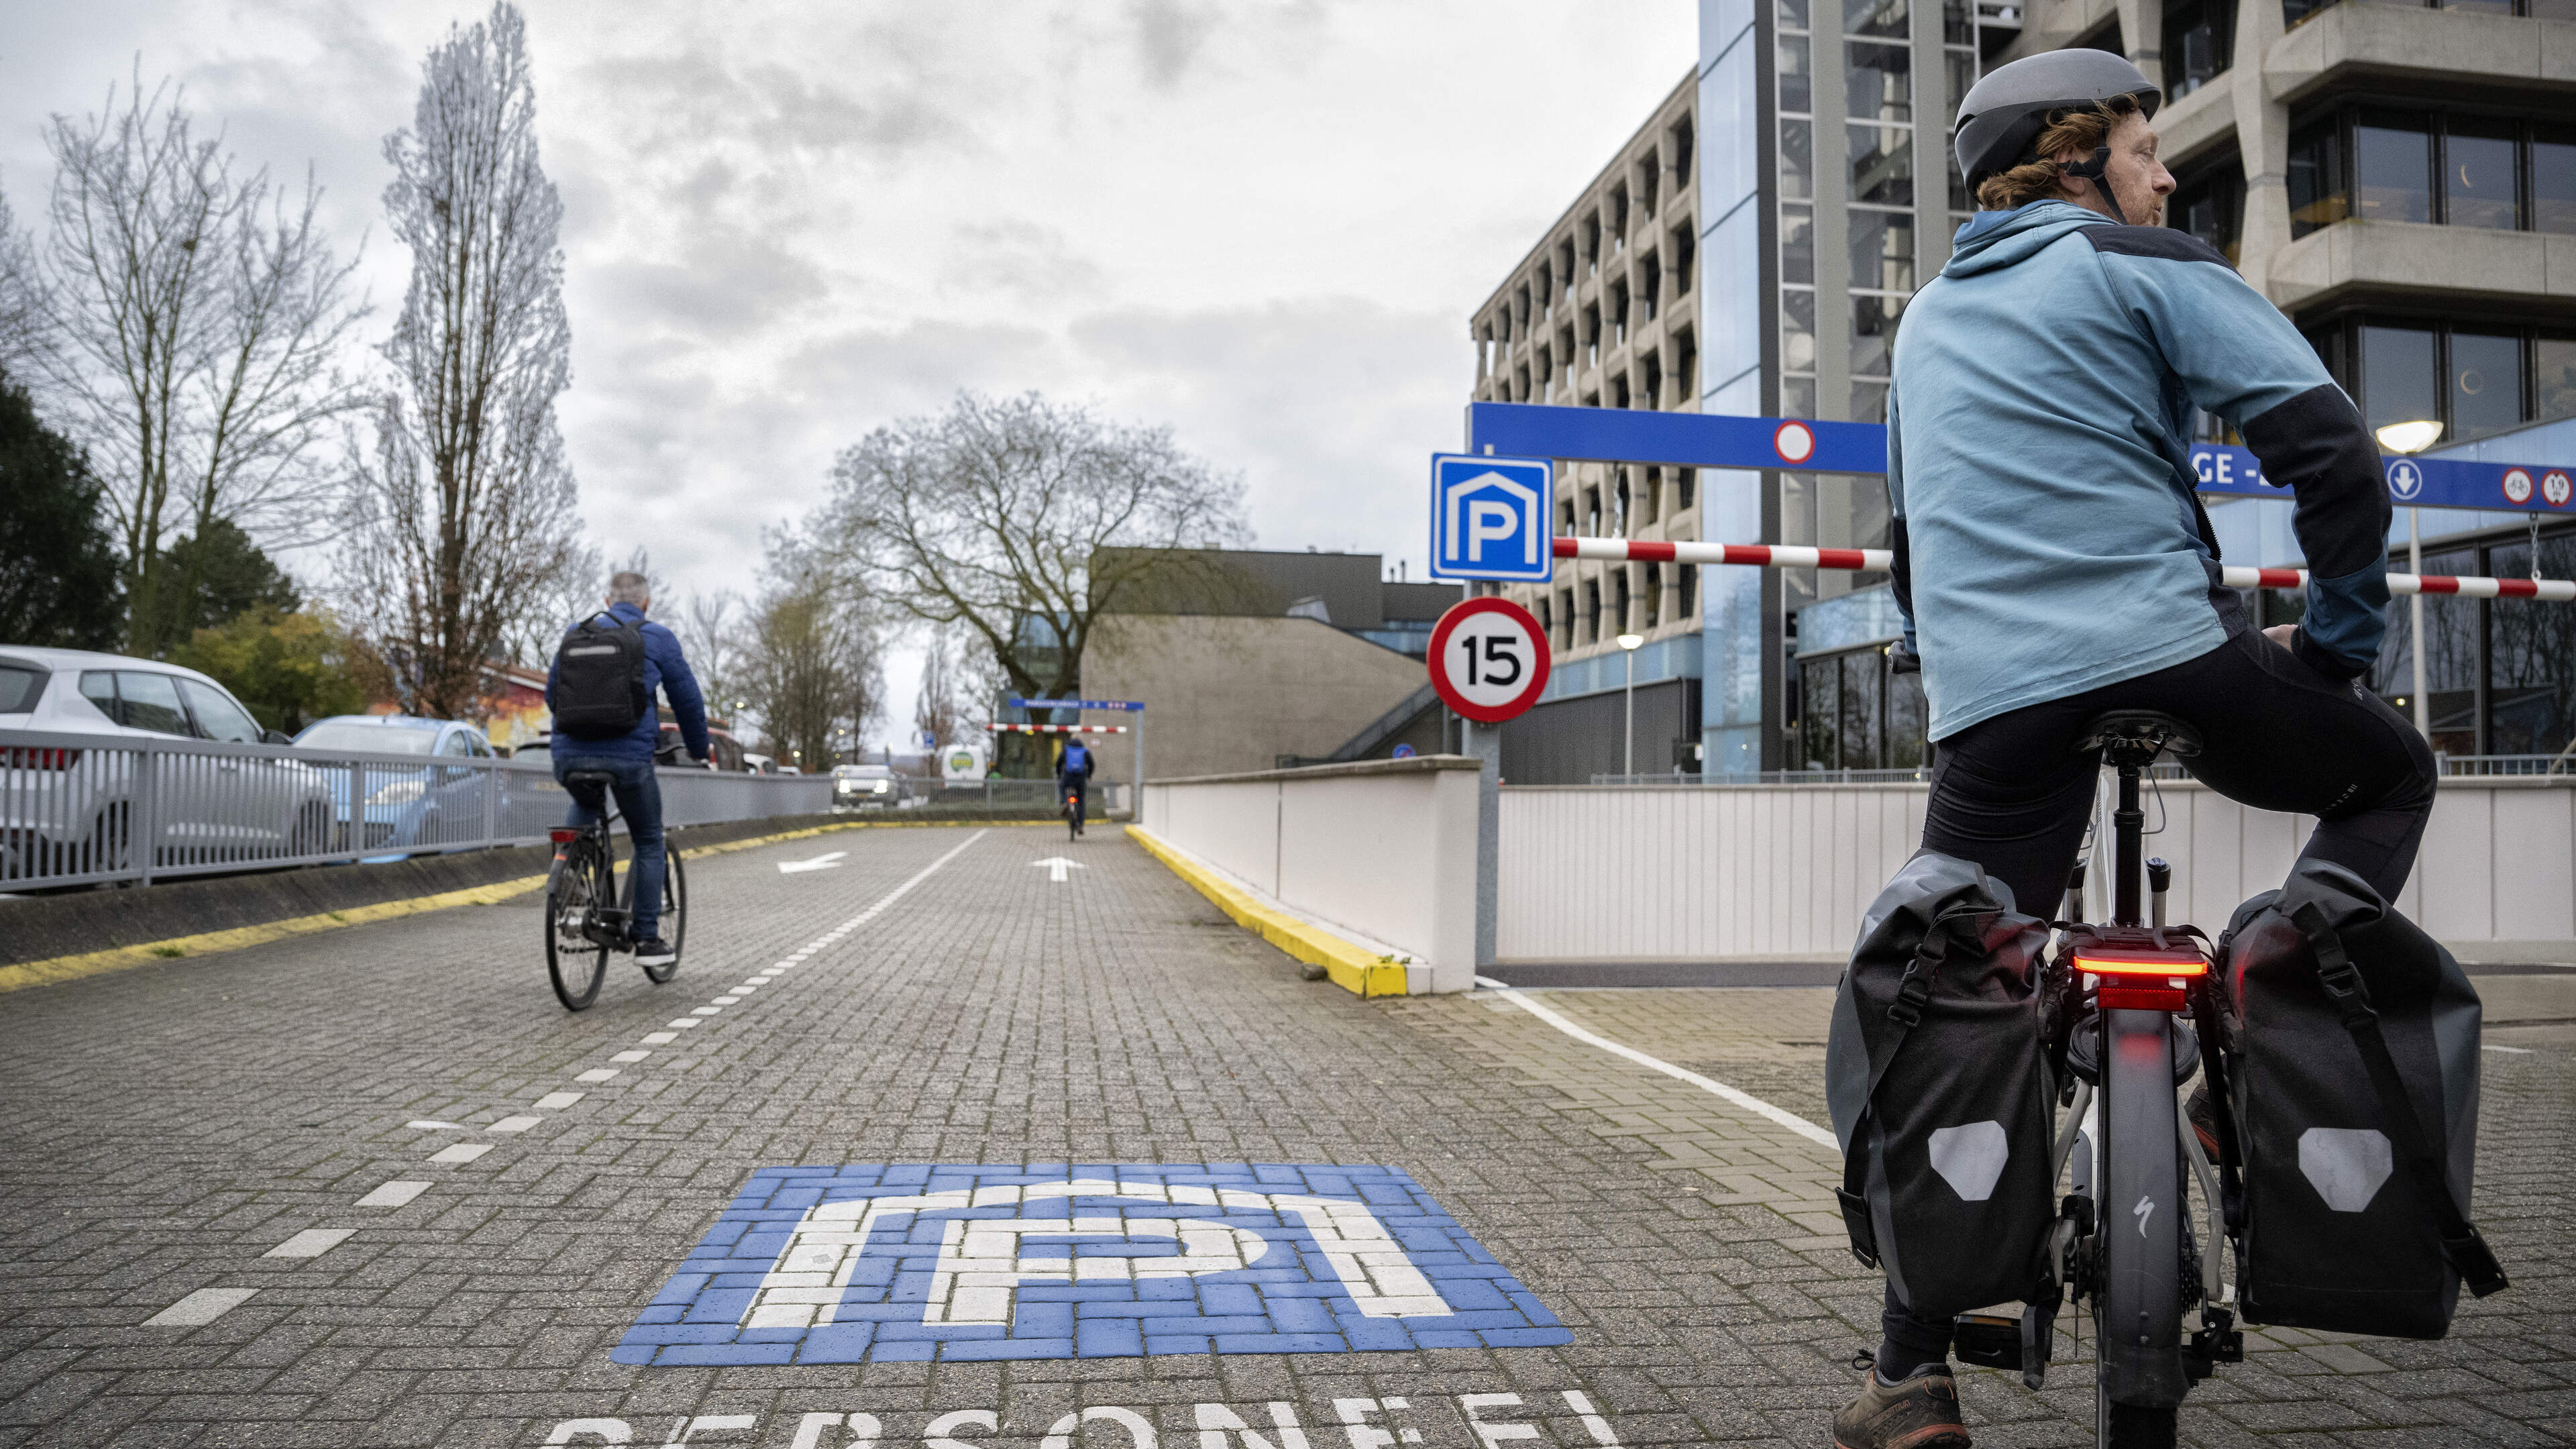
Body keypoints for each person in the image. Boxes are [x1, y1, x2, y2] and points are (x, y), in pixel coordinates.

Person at [1832, 49, 2438, 1449]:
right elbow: (2335, 454)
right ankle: (2270, 987)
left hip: (1996, 713)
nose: (2165, 174)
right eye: (2143, 147)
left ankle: (1908, 1373)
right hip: (2182, 656)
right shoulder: (2128, 261)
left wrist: (1971, 680)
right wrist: (2338, 651)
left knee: (1958, 975)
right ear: (2073, 163)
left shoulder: (1921, 327)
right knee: (2392, 769)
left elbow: (1916, 547)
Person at [546, 571, 710, 967]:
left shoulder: (575, 633)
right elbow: (686, 700)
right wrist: (699, 748)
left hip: (568, 756)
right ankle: (648, 939)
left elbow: (554, 695)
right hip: (628, 760)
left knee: (586, 805)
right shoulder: (656, 636)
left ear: (607, 601)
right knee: (649, 838)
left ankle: (569, 864)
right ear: (646, 603)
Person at [1056, 736, 1094, 837]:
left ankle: (1064, 802)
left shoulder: (1066, 750)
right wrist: (1089, 775)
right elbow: (1091, 764)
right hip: (1081, 779)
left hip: (1068, 777)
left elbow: (1058, 762)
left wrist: (1059, 774)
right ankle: (1080, 825)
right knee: (1081, 801)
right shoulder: (1085, 751)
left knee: (1062, 786)